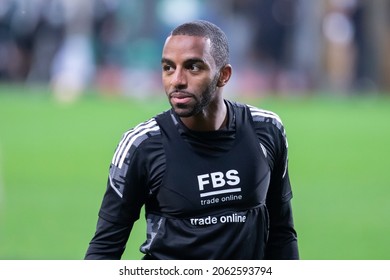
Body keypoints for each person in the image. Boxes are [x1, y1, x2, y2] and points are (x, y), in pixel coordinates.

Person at [85, 20, 299, 260]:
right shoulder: (141, 145)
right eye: (168, 68)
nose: (177, 80)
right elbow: (104, 248)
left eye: (193, 67)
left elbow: (282, 234)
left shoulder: (267, 130)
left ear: (224, 75)